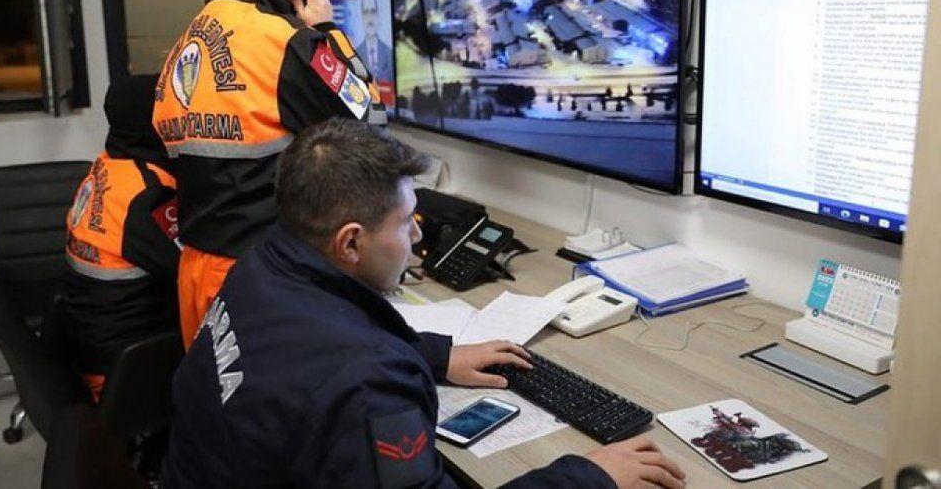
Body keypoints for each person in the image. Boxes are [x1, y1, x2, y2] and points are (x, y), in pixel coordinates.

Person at [161, 118, 686, 488]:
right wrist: (589, 476)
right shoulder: (363, 381)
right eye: (404, 221)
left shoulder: (261, 266)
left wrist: (432, 356)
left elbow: (305, 356)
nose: (417, 236)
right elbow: (343, 374)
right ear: (350, 242)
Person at [152, 0, 389, 346]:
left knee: (214, 391)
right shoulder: (283, 42)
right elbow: (372, 122)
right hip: (263, 281)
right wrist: (326, 29)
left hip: (197, 275)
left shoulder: (185, 44)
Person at [60, 75, 181, 400]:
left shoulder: (108, 166)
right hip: (124, 370)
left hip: (91, 344)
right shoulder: (145, 196)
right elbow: (189, 267)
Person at [355, 0, 393, 83]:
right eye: (366, 12)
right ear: (362, 17)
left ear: (378, 15)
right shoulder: (355, 55)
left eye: (373, 11)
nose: (370, 18)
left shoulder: (389, 53)